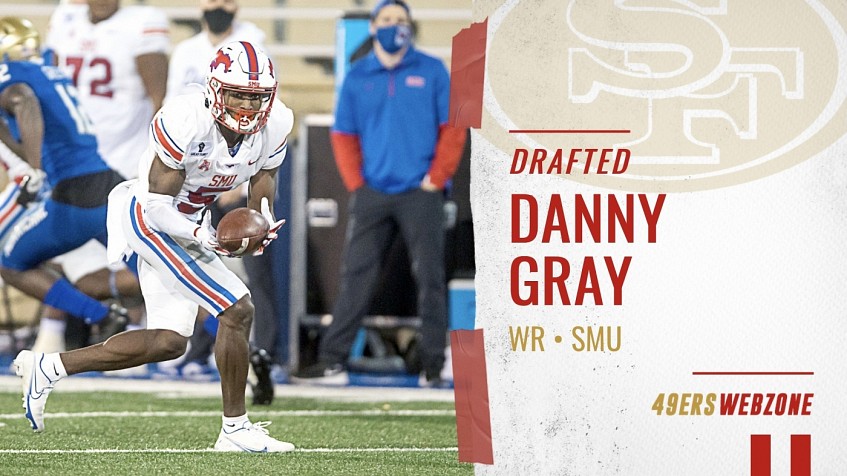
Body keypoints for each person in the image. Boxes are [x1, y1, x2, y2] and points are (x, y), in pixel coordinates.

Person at [14, 41, 295, 453]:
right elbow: (158, 205)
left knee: (168, 341)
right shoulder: (184, 118)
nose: (248, 106)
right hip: (149, 217)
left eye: (256, 97)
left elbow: (262, 187)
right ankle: (235, 430)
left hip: (193, 221)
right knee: (237, 307)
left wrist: (260, 223)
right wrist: (203, 236)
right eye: (238, 94)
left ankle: (49, 367)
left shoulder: (277, 123)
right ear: (215, 90)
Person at [292, 0, 467, 387]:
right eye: (387, 20)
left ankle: (433, 366)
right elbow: (343, 135)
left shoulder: (432, 70)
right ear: (373, 27)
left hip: (421, 192)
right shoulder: (358, 76)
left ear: (411, 28)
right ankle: (333, 362)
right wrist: (357, 183)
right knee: (355, 275)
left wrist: (435, 179)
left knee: (431, 278)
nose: (394, 26)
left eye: (401, 20)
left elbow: (453, 129)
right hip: (373, 192)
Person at [165, 0, 279, 406]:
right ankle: (197, 349)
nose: (220, 6)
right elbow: (174, 116)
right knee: (191, 264)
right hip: (190, 174)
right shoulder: (185, 53)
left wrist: (235, 178)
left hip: (235, 173)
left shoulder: (255, 43)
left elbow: (258, 118)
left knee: (253, 258)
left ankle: (263, 350)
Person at [0, 17, 129, 341]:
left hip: (74, 198)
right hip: (111, 183)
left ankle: (100, 315)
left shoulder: (12, 76)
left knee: (10, 262)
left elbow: (23, 100)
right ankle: (224, 326)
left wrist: (35, 170)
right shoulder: (48, 69)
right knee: (163, 270)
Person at [46, 0, 169, 181]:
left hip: (125, 155)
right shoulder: (65, 20)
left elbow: (159, 99)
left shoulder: (142, 22)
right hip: (74, 149)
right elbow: (53, 85)